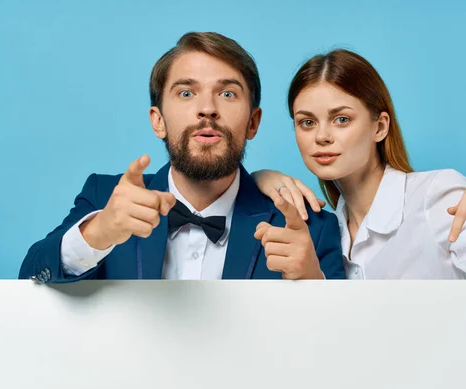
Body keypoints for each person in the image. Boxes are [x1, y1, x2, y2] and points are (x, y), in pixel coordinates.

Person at [18, 32, 346, 283]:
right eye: (186, 93)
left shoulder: (310, 228)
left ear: (253, 123)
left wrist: (313, 284)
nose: (207, 108)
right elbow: (31, 278)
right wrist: (98, 232)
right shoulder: (104, 198)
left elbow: (342, 352)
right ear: (157, 120)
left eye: (228, 93)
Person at [252, 49, 466, 279]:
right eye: (307, 122)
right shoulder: (325, 228)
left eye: (341, 119)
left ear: (379, 127)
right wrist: (259, 178)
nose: (322, 136)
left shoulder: (436, 196)